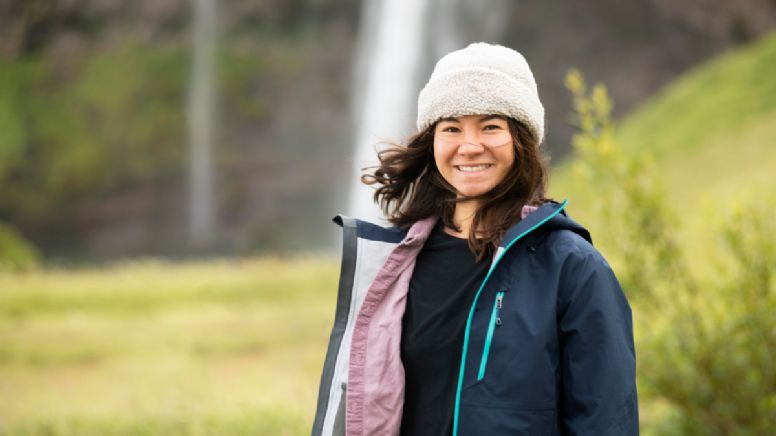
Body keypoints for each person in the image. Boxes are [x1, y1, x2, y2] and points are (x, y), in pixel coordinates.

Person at [311, 42, 638, 436]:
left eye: (490, 126)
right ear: (431, 143)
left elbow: (606, 422)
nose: (469, 146)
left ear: (522, 140)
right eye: (451, 128)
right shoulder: (392, 264)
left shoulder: (572, 267)